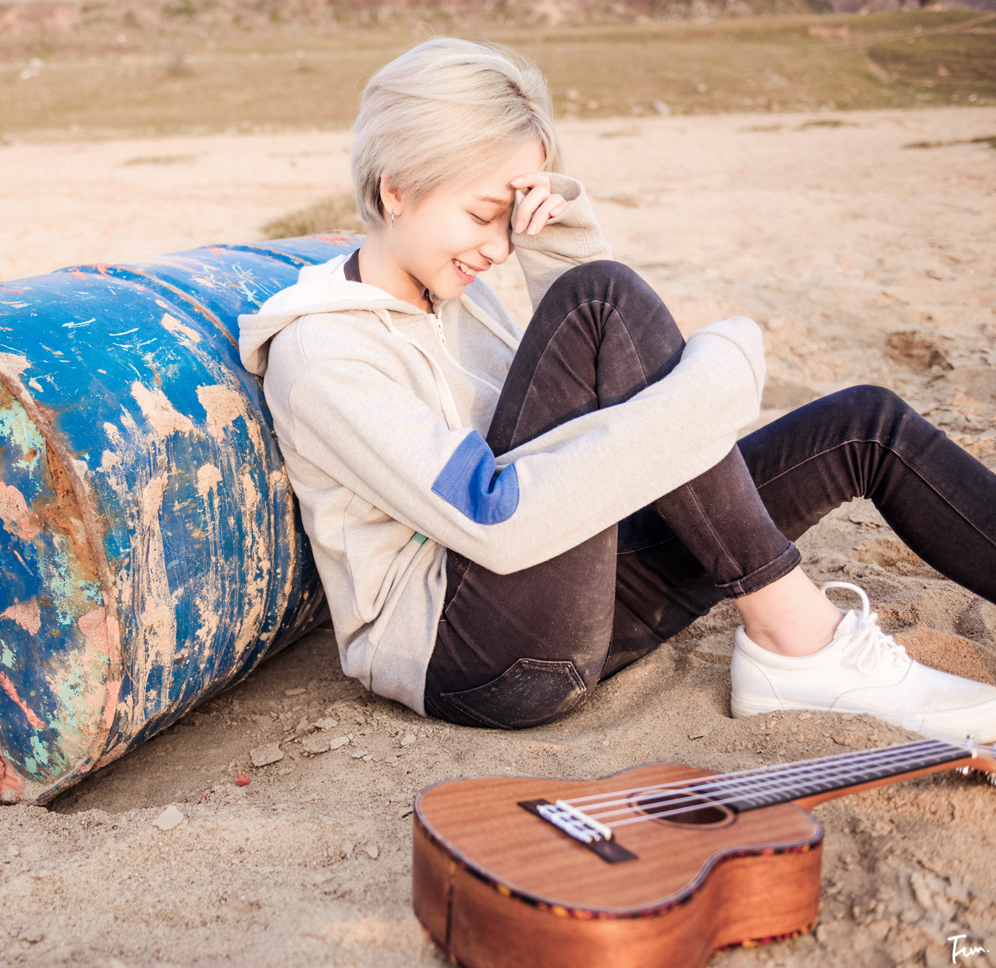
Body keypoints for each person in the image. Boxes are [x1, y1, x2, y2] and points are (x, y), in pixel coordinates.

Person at [237, 38, 996, 742]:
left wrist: (560, 241)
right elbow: (495, 519)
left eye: (513, 219)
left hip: (569, 584)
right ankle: (798, 637)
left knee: (865, 425)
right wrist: (715, 382)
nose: (499, 248)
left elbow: (604, 382)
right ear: (396, 189)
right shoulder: (325, 353)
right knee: (601, 299)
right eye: (482, 214)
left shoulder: (454, 294)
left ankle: (795, 638)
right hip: (475, 655)